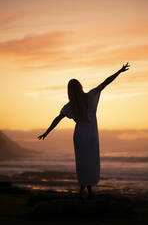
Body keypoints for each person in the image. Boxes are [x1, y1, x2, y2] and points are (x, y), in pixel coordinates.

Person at [38, 63, 130, 199]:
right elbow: (105, 83)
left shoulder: (70, 106)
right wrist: (119, 71)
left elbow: (57, 119)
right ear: (80, 87)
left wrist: (47, 132)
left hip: (80, 135)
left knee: (82, 163)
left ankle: (84, 190)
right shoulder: (90, 96)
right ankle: (87, 192)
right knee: (91, 162)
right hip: (91, 134)